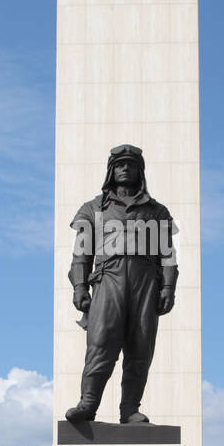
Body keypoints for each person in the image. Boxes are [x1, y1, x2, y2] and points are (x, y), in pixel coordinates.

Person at [64, 145, 179, 424]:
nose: (125, 168)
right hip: (108, 279)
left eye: (131, 164)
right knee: (101, 342)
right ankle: (88, 403)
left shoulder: (157, 211)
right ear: (110, 171)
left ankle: (129, 409)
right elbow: (81, 254)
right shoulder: (92, 209)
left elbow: (168, 255)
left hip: (146, 283)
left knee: (140, 347)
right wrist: (80, 286)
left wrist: (168, 288)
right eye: (119, 165)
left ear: (140, 171)